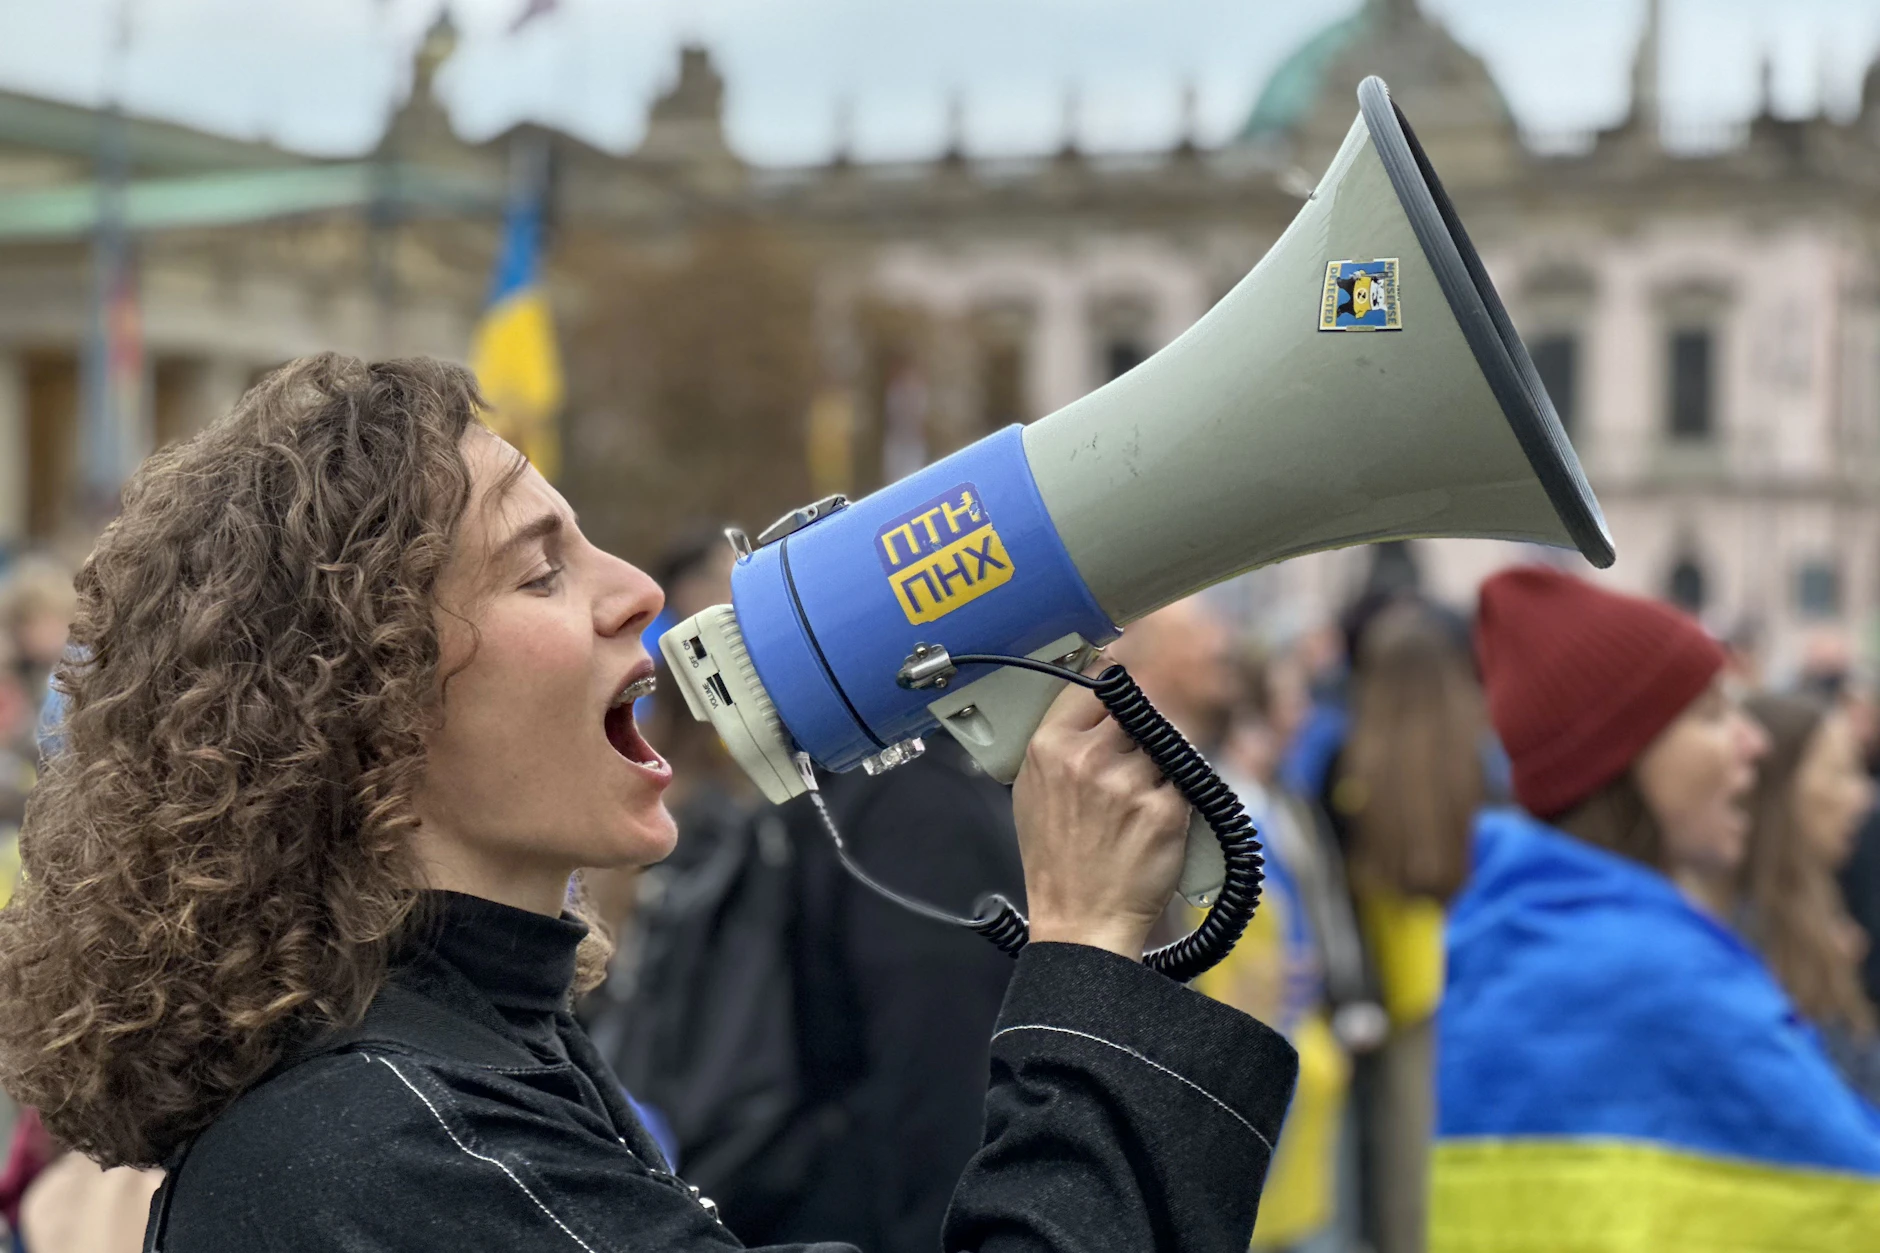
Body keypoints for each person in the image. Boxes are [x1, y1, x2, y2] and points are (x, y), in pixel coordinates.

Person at [0, 355, 1297, 1252]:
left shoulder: (452, 1066)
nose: (638, 593)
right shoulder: (385, 1147)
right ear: (362, 708)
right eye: (539, 570)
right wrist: (1082, 950)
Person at [1437, 566, 1880, 1250]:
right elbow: (1855, 1197)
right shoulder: (1655, 972)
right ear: (1621, 757)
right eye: (1712, 716)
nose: (1753, 743)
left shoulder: (1507, 935)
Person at [1281, 596, 1486, 1253]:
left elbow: (1325, 884)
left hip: (1380, 989)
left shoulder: (1337, 757)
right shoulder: (1482, 760)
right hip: (1468, 977)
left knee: (1393, 1168)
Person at [1732, 693, 1880, 1104]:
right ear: (1778, 787)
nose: (1862, 797)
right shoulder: (1749, 933)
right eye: (1839, 773)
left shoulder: (1816, 910)